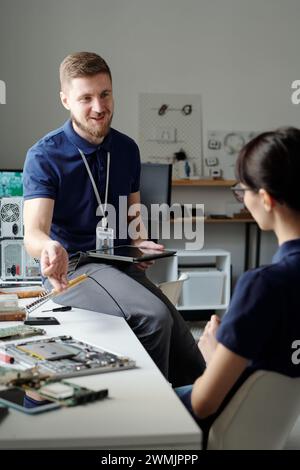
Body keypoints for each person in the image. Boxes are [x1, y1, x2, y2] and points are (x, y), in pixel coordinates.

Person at [23, 52, 204, 386]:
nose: (98, 106)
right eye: (85, 98)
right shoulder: (44, 155)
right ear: (65, 100)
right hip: (73, 269)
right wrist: (48, 248)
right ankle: (149, 416)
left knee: (187, 348)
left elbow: (133, 213)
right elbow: (34, 232)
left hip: (117, 263)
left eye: (104, 94)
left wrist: (139, 243)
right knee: (155, 317)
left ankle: (190, 419)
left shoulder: (127, 149)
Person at [176, 127, 300, 446]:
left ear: (266, 198)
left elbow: (204, 405)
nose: (242, 197)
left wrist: (212, 354)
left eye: (242, 189)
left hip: (218, 427)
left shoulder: (263, 285)